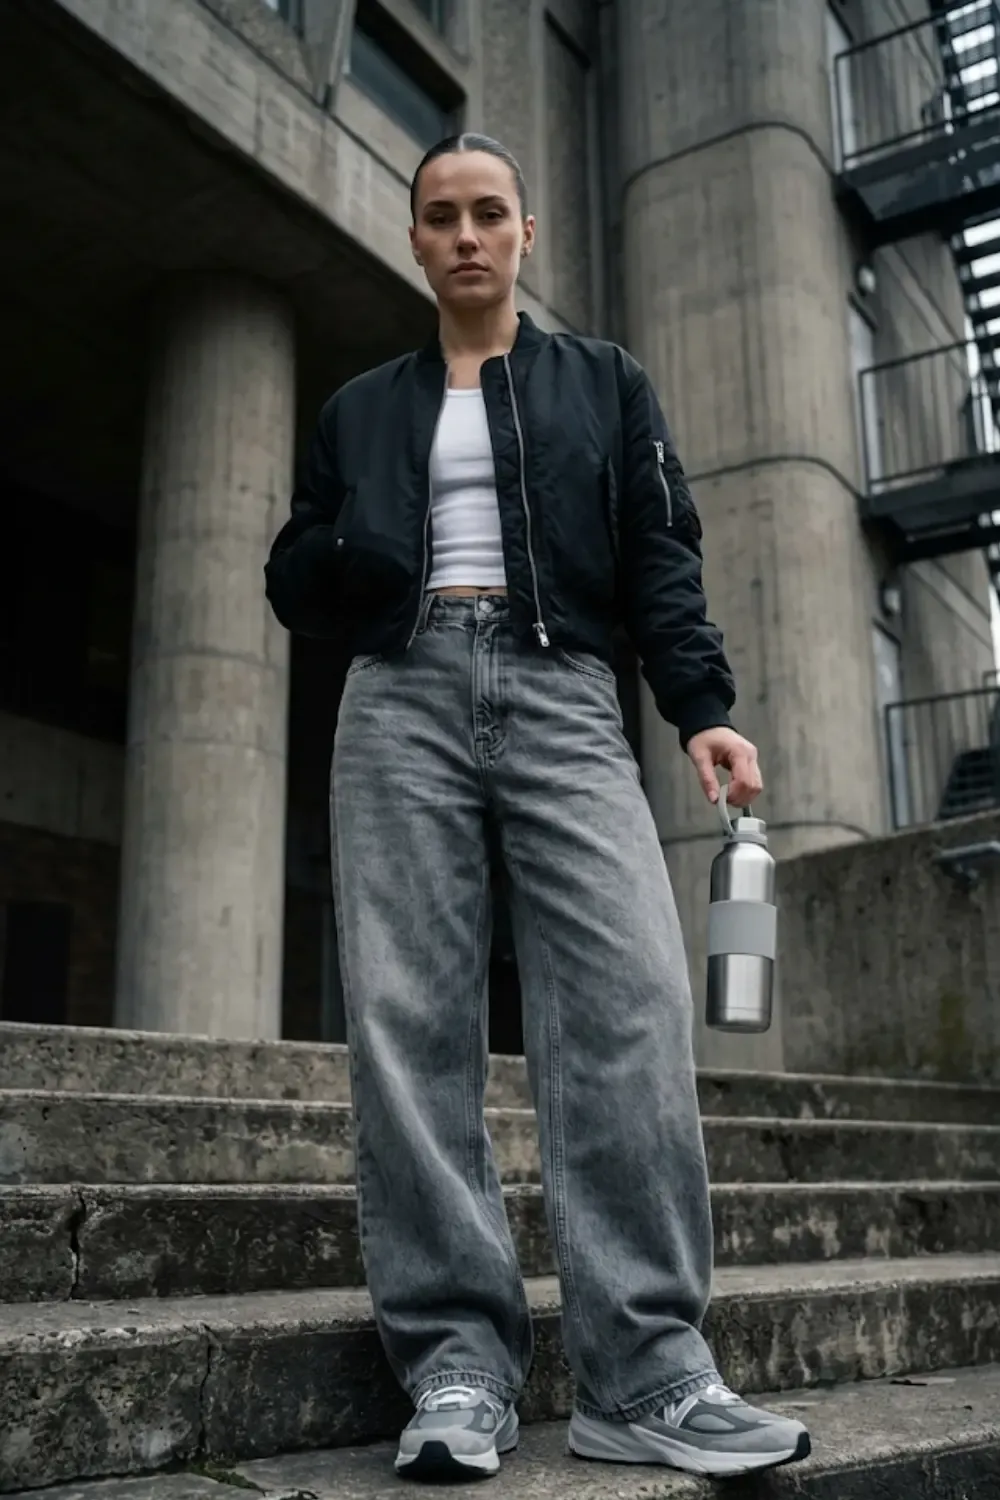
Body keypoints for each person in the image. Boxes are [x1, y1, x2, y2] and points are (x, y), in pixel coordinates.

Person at [264, 132, 810, 1483]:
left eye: (488, 212)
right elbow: (294, 568)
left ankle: (651, 1376)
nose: (465, 235)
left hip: (565, 690)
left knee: (629, 999)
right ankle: (455, 1368)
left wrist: (706, 709)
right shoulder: (360, 408)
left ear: (523, 236)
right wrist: (352, 553)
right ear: (415, 241)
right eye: (439, 216)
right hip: (399, 696)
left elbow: (659, 556)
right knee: (407, 1020)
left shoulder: (603, 385)